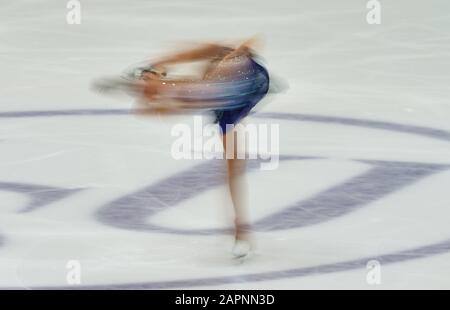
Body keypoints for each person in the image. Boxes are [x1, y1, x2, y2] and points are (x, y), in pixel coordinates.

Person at [94, 38, 270, 258]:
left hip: (233, 87)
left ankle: (153, 77)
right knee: (204, 76)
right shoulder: (217, 86)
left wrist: (240, 225)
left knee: (203, 78)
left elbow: (158, 109)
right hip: (233, 89)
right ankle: (153, 77)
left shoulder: (217, 84)